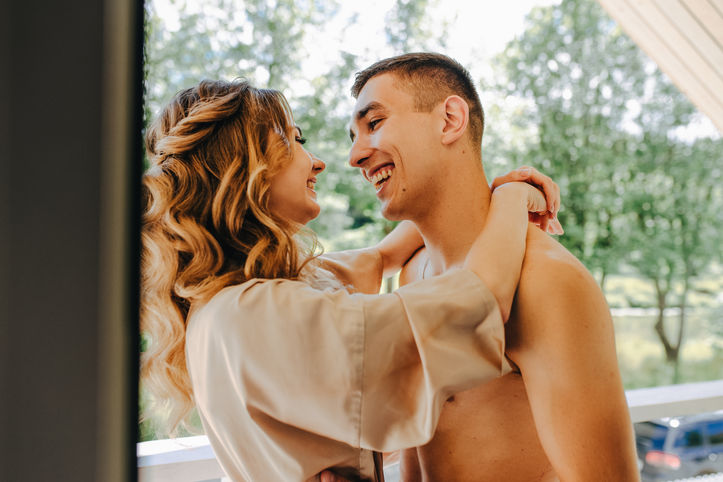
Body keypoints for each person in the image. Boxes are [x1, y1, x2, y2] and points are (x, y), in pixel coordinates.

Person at [140, 79, 559, 481]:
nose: (319, 161)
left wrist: (476, 188)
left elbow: (380, 257)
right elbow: (478, 298)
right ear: (243, 167)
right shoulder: (262, 314)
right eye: (294, 139)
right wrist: (513, 196)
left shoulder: (234, 299)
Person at [346, 53, 640, 481]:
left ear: (450, 120)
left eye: (374, 123)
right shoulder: (413, 269)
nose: (355, 156)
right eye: (354, 136)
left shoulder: (547, 282)